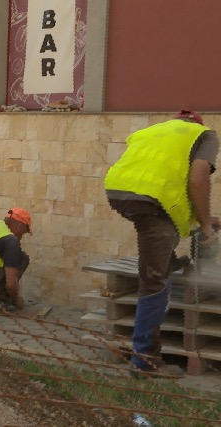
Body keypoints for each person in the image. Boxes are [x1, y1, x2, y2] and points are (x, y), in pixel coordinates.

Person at [104, 109, 219, 375]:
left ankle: (168, 263)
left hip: (120, 190)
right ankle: (145, 361)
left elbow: (168, 188)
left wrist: (205, 218)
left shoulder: (152, 133)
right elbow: (198, 179)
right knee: (153, 279)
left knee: (159, 243)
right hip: (151, 201)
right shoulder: (205, 135)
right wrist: (205, 226)